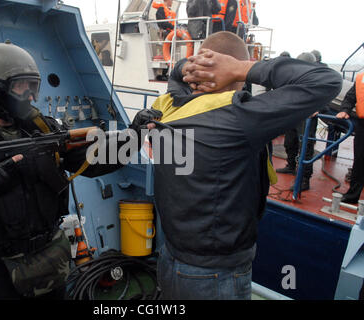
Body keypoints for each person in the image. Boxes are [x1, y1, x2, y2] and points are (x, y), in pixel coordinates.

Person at [0, 42, 157, 300]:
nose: (31, 96)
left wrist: (134, 135)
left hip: (50, 259)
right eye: (22, 86)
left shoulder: (40, 127)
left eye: (34, 86)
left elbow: (91, 159)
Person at [138, 31, 341, 299]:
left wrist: (187, 66)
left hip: (171, 257)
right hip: (214, 276)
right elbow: (325, 80)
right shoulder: (240, 117)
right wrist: (241, 69)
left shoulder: (169, 104)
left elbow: (177, 77)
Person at [276, 52, 318, 191]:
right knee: (290, 142)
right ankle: (291, 166)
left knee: (305, 148)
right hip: (293, 115)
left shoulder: (318, 79)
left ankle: (304, 179)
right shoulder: (294, 77)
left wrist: (318, 108)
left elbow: (325, 97)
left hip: (307, 118)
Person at [336, 74, 364, 203]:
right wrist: (345, 109)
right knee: (360, 159)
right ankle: (352, 195)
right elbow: (350, 97)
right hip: (363, 124)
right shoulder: (361, 78)